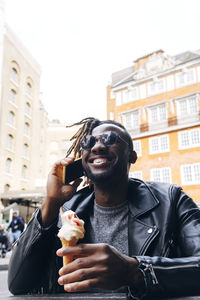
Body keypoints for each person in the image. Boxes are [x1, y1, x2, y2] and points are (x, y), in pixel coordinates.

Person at [8, 117, 200, 299]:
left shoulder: (171, 199)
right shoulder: (64, 211)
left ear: (132, 156)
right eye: (89, 142)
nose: (97, 146)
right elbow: (18, 284)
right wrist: (51, 202)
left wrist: (134, 271)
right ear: (82, 161)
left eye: (110, 139)